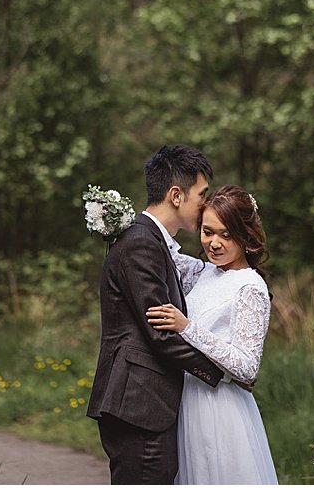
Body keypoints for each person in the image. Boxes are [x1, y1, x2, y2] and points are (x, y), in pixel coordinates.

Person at [86, 145, 227, 484]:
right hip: (140, 404)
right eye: (201, 194)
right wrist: (222, 371)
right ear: (176, 195)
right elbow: (161, 333)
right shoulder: (141, 242)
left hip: (144, 403)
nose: (205, 205)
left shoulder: (149, 239)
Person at [146, 184, 279, 485]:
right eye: (207, 232)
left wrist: (187, 328)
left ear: (246, 236)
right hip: (188, 404)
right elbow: (160, 246)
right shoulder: (205, 272)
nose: (214, 243)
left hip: (221, 410)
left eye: (226, 235)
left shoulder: (250, 287)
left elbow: (247, 366)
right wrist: (117, 218)